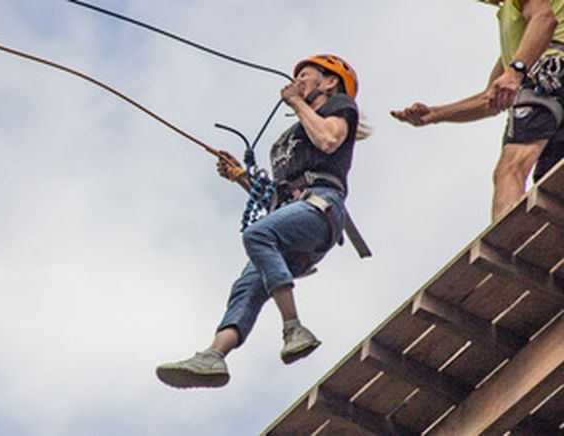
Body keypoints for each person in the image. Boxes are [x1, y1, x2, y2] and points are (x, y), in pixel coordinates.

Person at [156, 55, 365, 388]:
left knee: (257, 235)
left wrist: (297, 103)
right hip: (296, 218)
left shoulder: (339, 108)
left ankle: (293, 326)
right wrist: (242, 178)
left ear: (330, 82)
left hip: (322, 208)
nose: (297, 81)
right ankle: (213, 356)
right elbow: (278, 199)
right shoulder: (288, 140)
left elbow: (328, 141)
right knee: (247, 286)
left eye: (306, 76)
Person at [392, 0, 564, 221]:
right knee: (553, 181)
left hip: (549, 74)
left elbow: (544, 19)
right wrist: (435, 114)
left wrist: (516, 71)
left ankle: (510, 239)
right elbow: (490, 99)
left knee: (511, 168)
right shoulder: (517, 31)